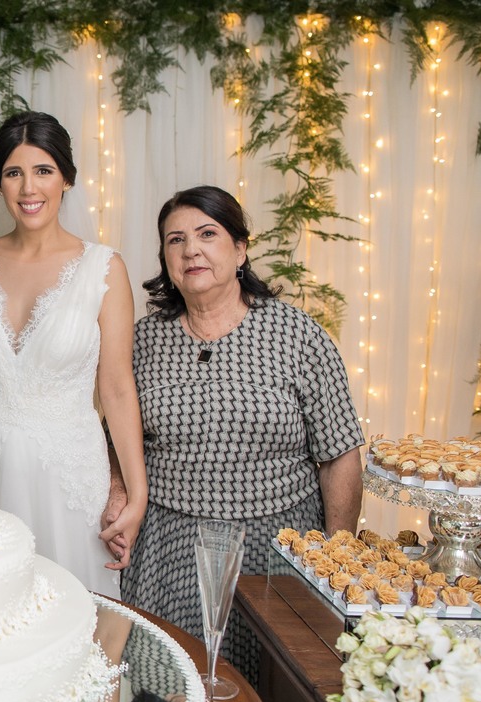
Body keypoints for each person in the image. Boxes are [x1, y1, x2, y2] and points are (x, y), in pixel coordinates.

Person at [119, 184, 363, 676]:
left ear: (240, 248)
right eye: (175, 239)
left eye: (208, 234)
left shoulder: (297, 334)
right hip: (168, 548)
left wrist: (333, 563)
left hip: (275, 547)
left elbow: (340, 453)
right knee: (171, 688)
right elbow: (115, 440)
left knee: (271, 698)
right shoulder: (142, 340)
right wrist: (116, 492)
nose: (191, 250)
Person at [0, 111, 147, 595]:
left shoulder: (103, 269)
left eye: (43, 171)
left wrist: (137, 492)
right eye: (14, 173)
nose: (29, 188)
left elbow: (115, 387)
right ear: (0, 183)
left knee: (68, 621)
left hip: (68, 482)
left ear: (67, 178)